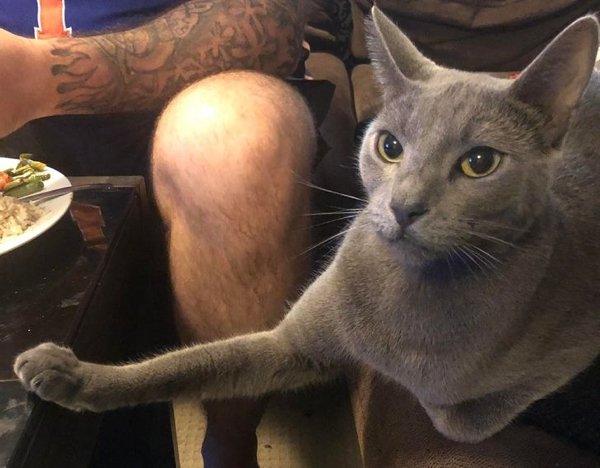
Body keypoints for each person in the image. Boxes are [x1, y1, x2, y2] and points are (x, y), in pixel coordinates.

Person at [0, 1, 319, 466]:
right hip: (24, 156)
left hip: (190, 127)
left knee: (231, 133)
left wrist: (37, 76)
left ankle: (230, 444)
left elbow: (272, 23)